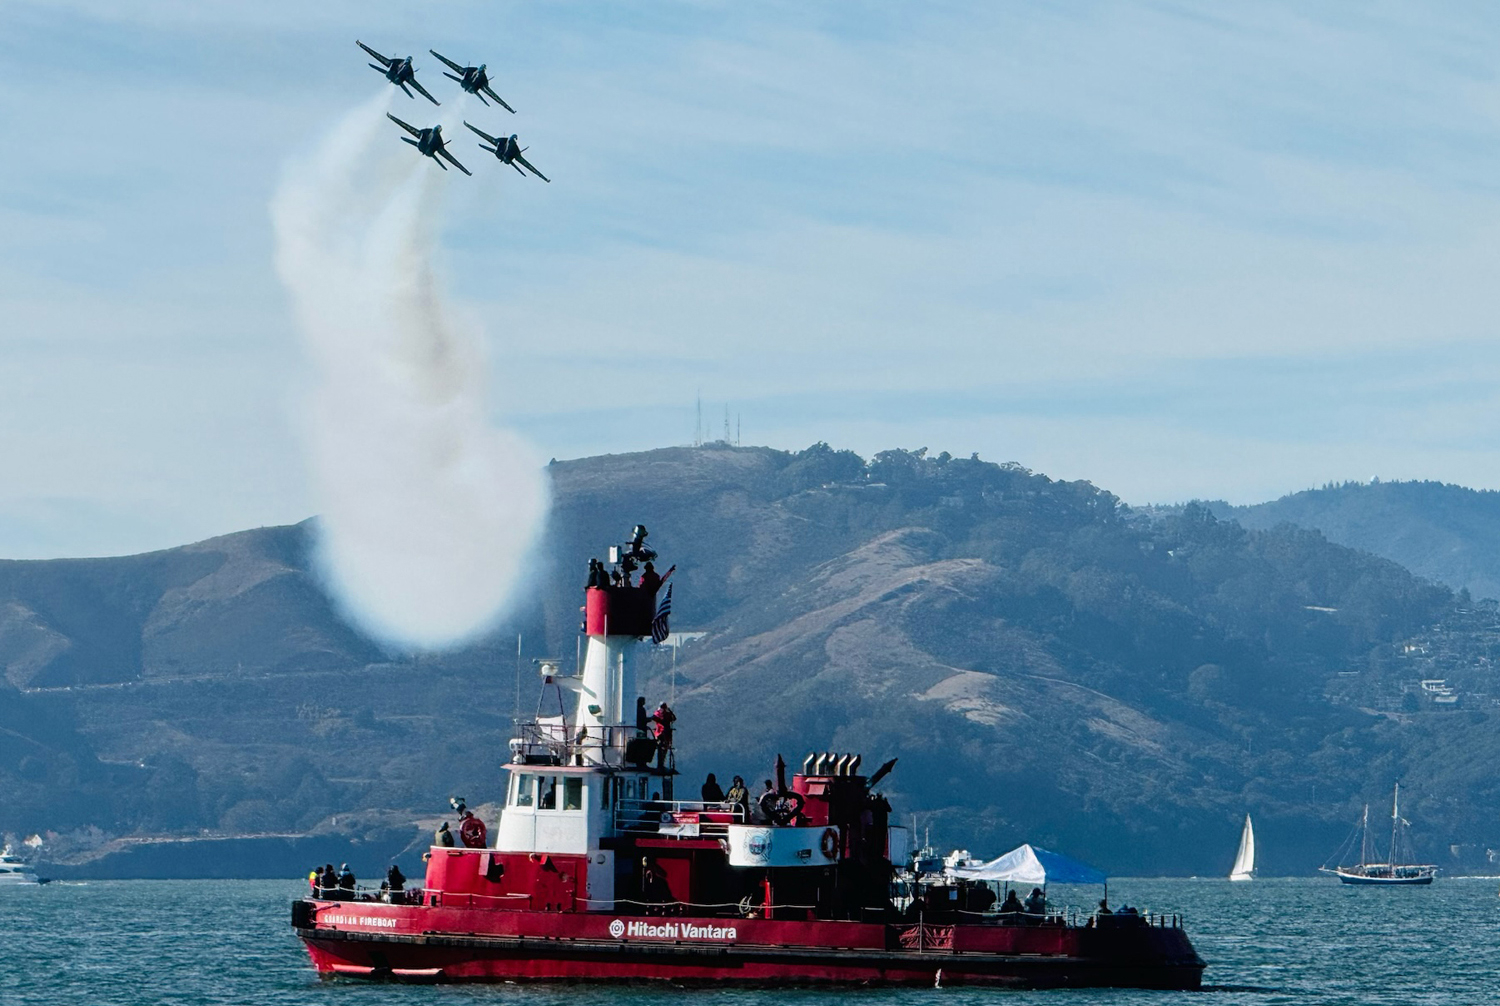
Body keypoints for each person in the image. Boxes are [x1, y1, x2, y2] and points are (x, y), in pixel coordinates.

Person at [651, 702, 676, 769]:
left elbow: (673, 718)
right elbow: (673, 718)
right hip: (663, 733)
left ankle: (661, 764)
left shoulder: (660, 713)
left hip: (662, 733)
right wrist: (670, 712)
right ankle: (661, 764)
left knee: (663, 748)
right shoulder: (664, 714)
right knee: (663, 748)